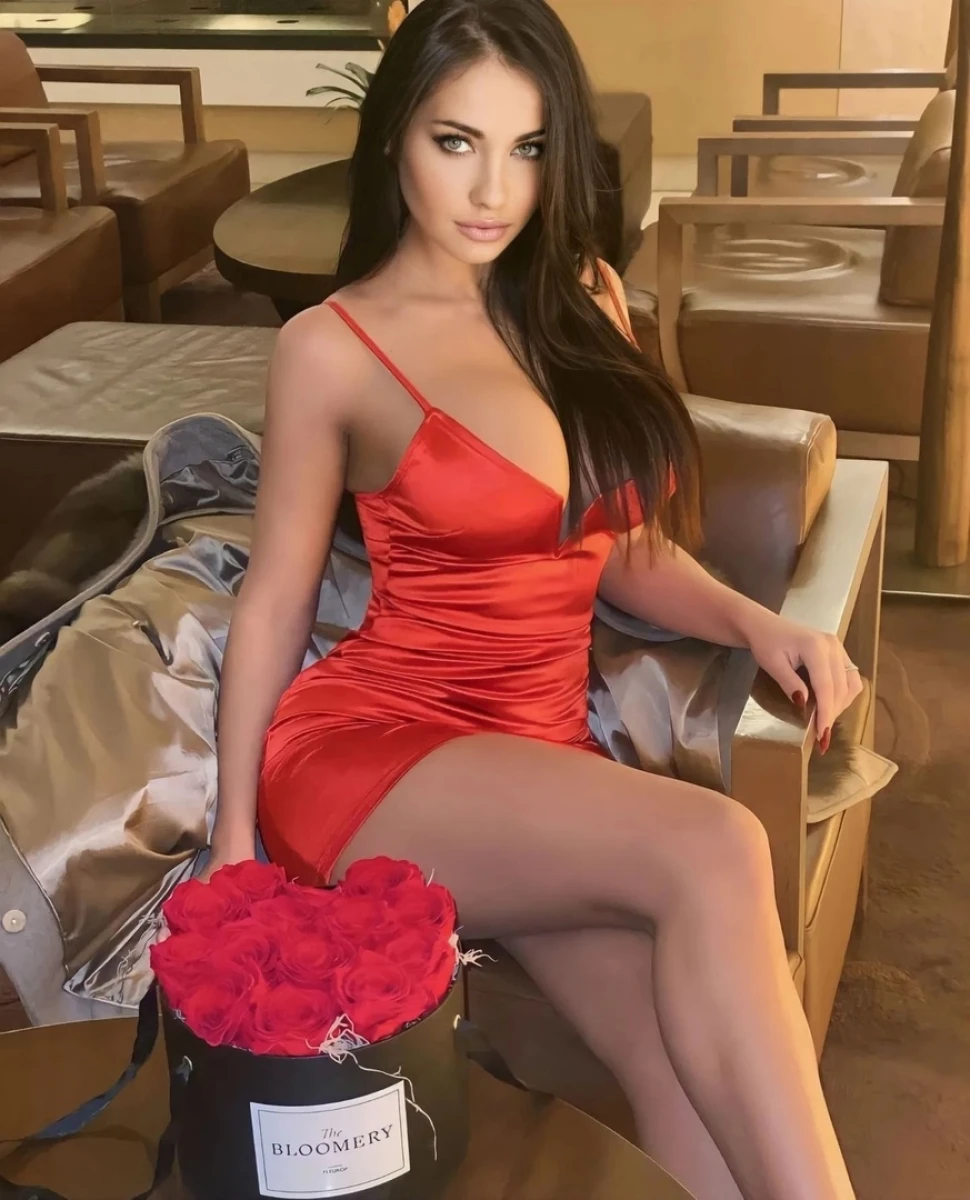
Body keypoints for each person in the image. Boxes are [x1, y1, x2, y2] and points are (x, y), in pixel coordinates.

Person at [207, 2, 862, 1196]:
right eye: (454, 141)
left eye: (526, 148)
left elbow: (621, 552)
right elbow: (273, 604)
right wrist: (231, 841)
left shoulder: (582, 296)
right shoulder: (331, 347)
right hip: (377, 755)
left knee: (679, 1070)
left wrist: (762, 623)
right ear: (394, 138)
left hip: (539, 757)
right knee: (716, 843)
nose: (490, 190)